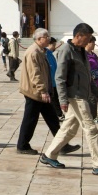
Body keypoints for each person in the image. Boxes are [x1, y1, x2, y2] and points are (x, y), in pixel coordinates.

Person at [41, 23, 98, 177]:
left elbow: (88, 76)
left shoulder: (81, 51)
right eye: (88, 38)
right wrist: (63, 100)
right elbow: (60, 77)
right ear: (78, 36)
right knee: (91, 129)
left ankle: (49, 155)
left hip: (83, 95)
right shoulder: (66, 51)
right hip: (75, 97)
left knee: (69, 128)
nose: (89, 41)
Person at [15, 28, 80, 156]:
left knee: (52, 118)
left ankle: (62, 145)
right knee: (30, 120)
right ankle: (22, 145)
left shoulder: (41, 51)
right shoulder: (34, 52)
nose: (49, 38)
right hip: (35, 92)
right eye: (46, 37)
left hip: (41, 92)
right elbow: (35, 74)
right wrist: (43, 91)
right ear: (39, 39)